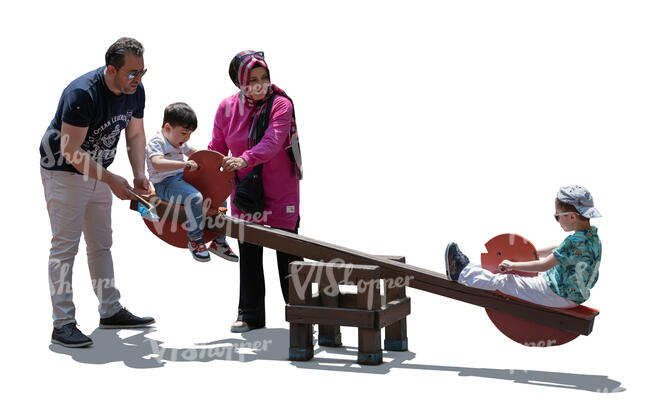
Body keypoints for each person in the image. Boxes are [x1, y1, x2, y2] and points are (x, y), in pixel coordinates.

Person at [40, 37, 154, 348]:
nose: (138, 79)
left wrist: (138, 175)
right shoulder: (82, 94)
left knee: (101, 244)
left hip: (101, 173)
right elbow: (71, 151)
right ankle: (62, 324)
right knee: (64, 248)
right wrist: (113, 180)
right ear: (111, 69)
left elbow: (135, 133)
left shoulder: (135, 91)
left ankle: (110, 309)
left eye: (143, 72)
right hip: (63, 173)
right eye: (132, 73)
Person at [208, 50, 303, 333]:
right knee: (249, 250)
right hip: (246, 191)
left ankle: (300, 315)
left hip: (281, 188)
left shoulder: (281, 104)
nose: (260, 85)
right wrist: (204, 178)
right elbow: (216, 149)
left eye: (264, 77)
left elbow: (274, 140)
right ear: (239, 83)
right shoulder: (226, 108)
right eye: (252, 80)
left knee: (289, 252)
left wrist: (245, 159)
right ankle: (250, 315)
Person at [445, 185, 602, 308]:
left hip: (558, 295)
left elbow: (544, 264)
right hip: (570, 293)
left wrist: (513, 264)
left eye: (557, 216)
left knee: (506, 281)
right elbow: (559, 249)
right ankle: (471, 267)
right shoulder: (592, 238)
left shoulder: (574, 242)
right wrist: (530, 253)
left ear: (572, 217)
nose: (557, 220)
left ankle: (460, 272)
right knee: (518, 271)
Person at [145, 102, 238, 262]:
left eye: (189, 134)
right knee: (194, 198)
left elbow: (196, 154)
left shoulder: (180, 140)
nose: (186, 138)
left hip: (183, 179)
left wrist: (217, 163)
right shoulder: (157, 142)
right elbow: (157, 163)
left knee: (220, 196)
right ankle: (195, 240)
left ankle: (219, 240)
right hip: (165, 184)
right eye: (183, 133)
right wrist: (184, 164)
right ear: (167, 128)